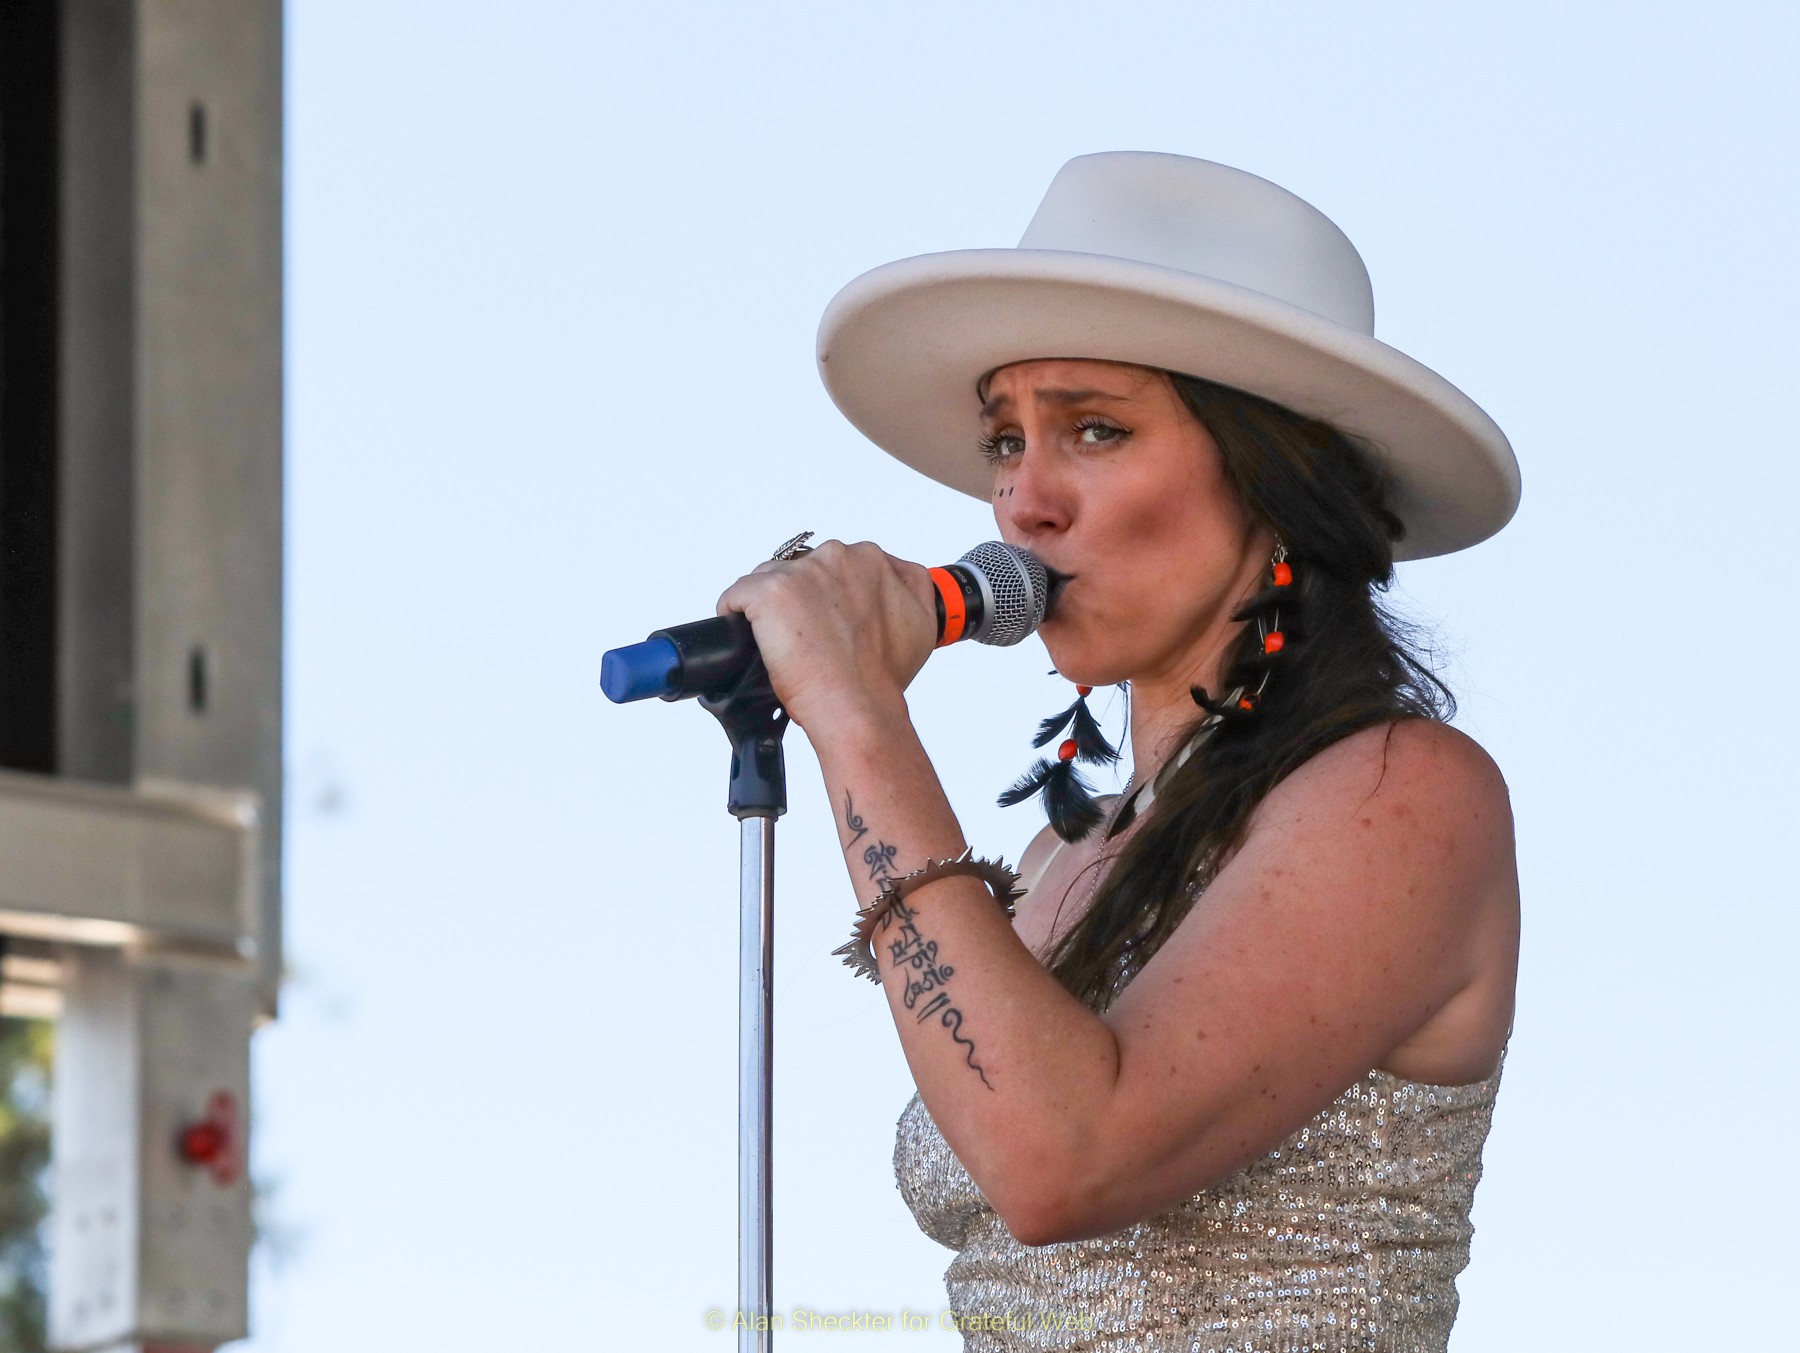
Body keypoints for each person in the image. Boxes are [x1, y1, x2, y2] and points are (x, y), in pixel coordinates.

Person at [718, 152, 1520, 1351]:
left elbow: (1061, 1160)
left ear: (1274, 482)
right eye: (1005, 442)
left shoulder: (1403, 793)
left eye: (1094, 430)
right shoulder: (1058, 856)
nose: (1024, 502)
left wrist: (856, 713)